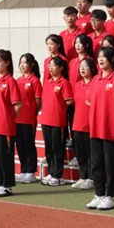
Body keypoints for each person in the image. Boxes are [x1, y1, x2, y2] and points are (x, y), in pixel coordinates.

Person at [86, 47, 114, 210]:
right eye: (99, 56)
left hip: (110, 129)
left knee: (110, 164)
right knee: (96, 163)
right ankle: (99, 194)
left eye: (104, 57)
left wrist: (110, 110)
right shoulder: (96, 79)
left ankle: (110, 196)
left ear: (112, 59)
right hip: (95, 128)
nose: (100, 59)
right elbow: (88, 101)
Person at [0, 49, 21, 197]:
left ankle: (7, 186)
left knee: (5, 157)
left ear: (7, 63)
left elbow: (17, 105)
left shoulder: (11, 81)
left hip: (5, 127)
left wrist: (8, 119)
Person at [40, 56, 74, 187]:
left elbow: (69, 101)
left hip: (58, 121)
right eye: (49, 65)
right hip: (46, 120)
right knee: (49, 149)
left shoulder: (64, 83)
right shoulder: (47, 83)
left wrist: (59, 105)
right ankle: (51, 172)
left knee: (57, 149)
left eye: (53, 65)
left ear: (61, 68)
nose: (51, 68)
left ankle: (58, 175)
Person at [14, 53, 43, 184]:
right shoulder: (18, 80)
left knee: (29, 144)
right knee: (20, 145)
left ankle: (31, 172)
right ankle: (24, 170)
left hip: (29, 118)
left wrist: (33, 114)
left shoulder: (35, 80)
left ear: (31, 65)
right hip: (17, 118)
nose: (22, 65)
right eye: (21, 62)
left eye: (25, 62)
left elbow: (38, 101)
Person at [70, 58, 97, 190]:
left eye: (85, 66)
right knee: (80, 153)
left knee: (91, 153)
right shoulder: (77, 85)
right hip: (77, 123)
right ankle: (83, 176)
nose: (82, 68)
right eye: (80, 66)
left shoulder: (95, 84)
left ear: (92, 69)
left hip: (91, 124)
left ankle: (92, 178)